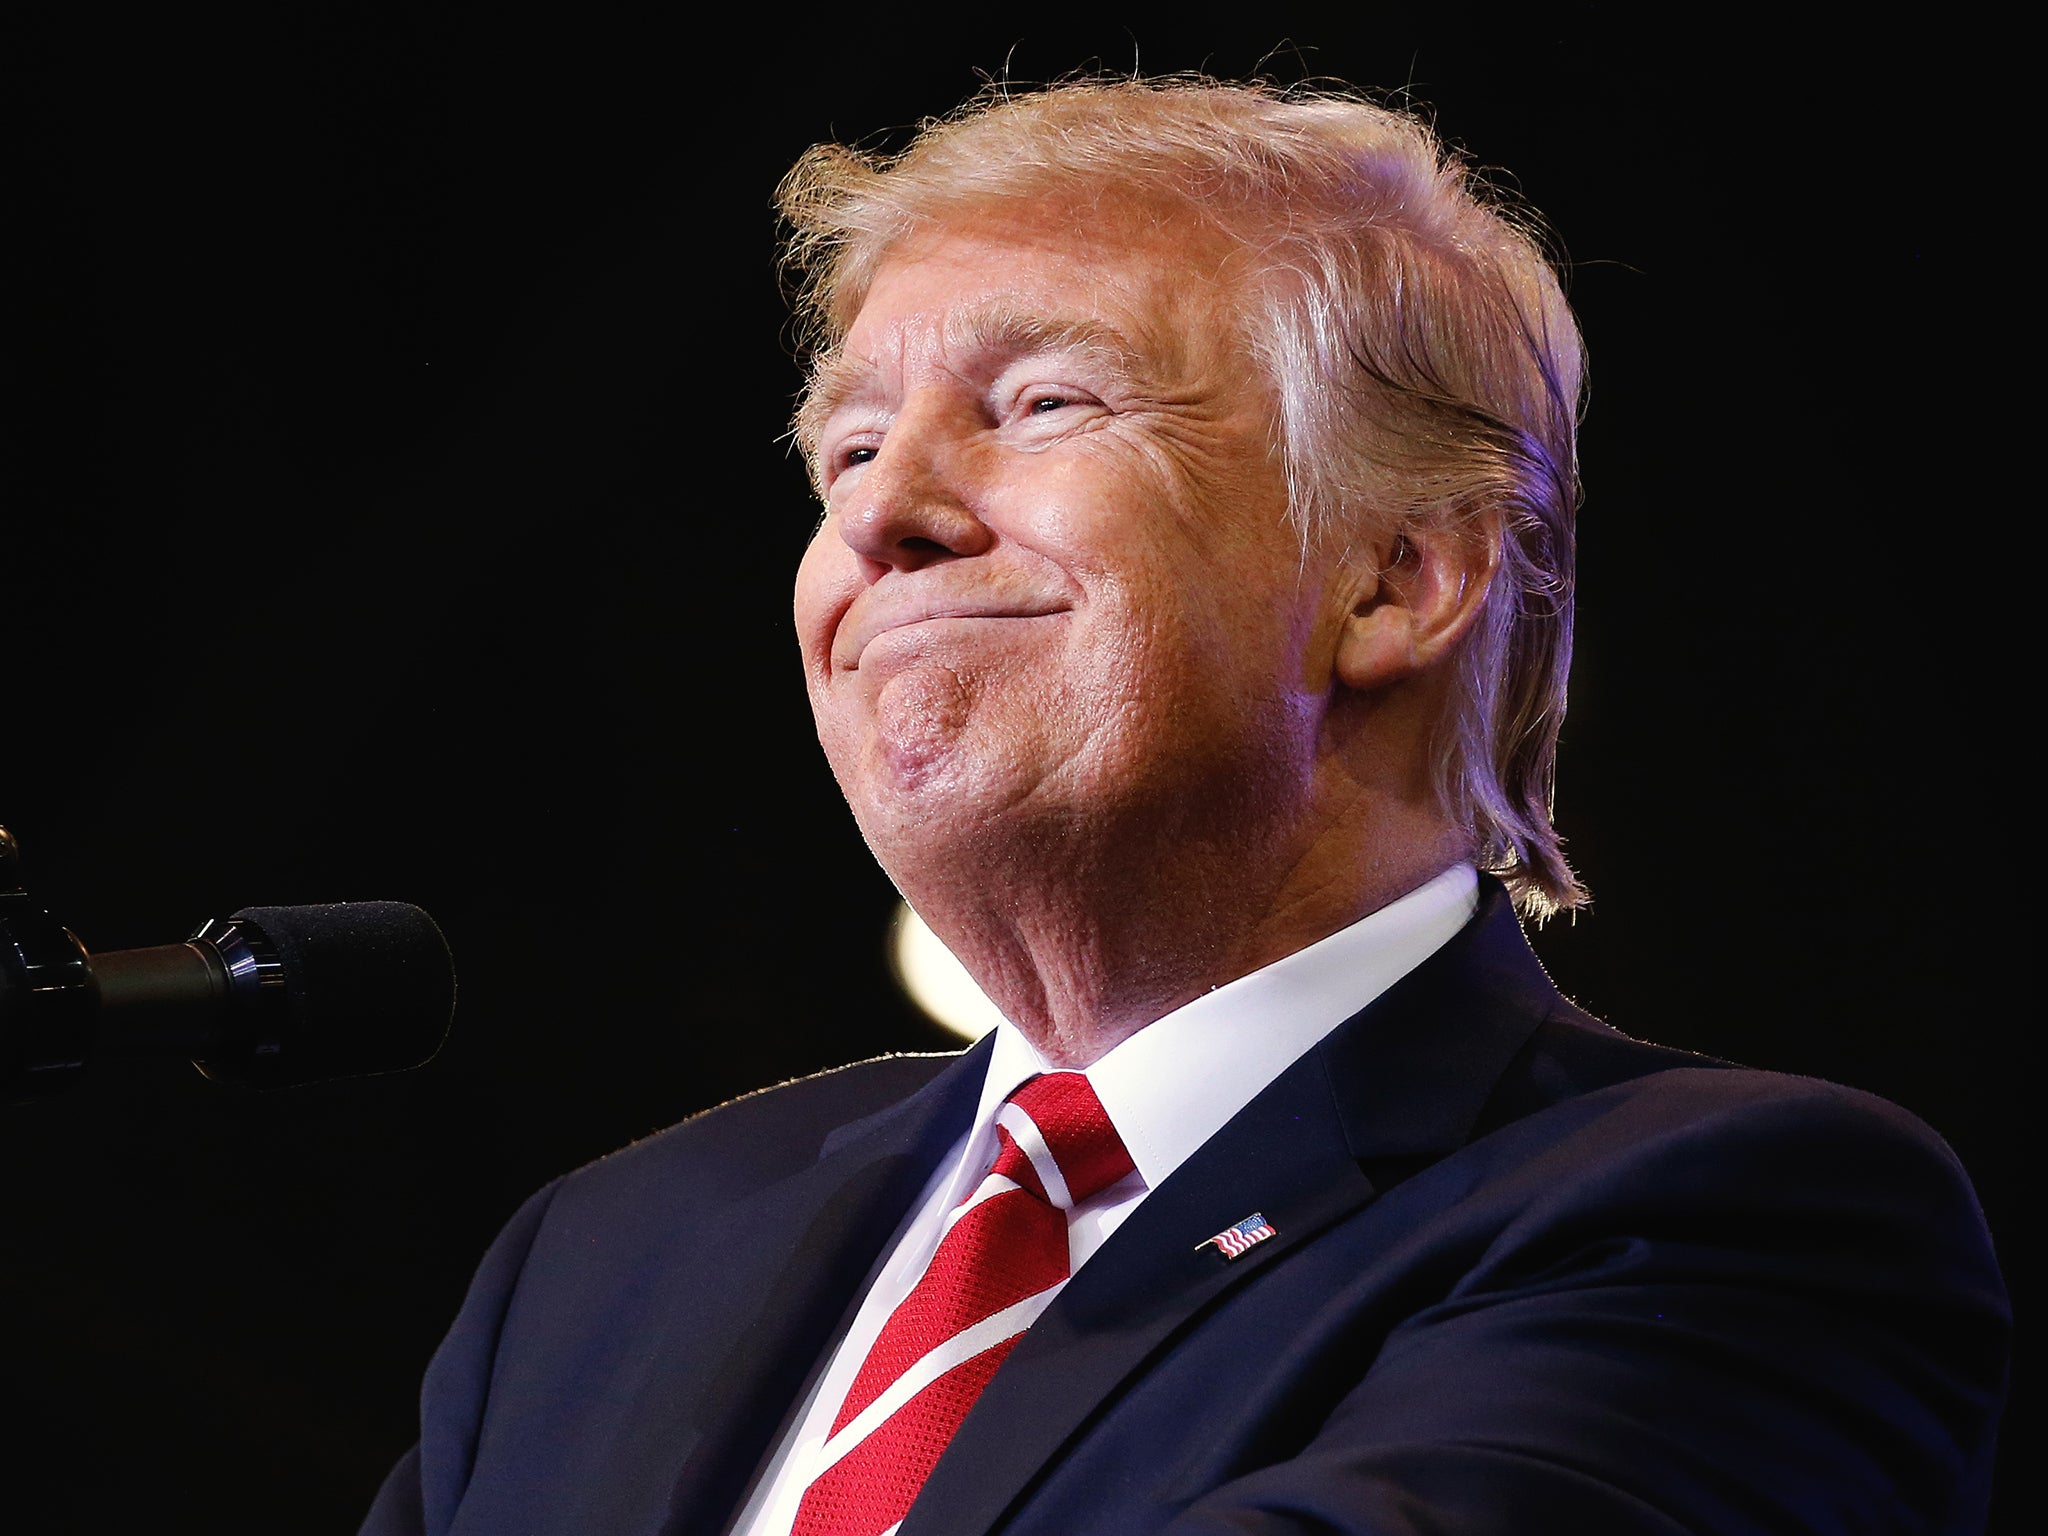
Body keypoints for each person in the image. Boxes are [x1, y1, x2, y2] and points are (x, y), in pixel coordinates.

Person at [360, 79, 2008, 1535]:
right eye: (848, 449)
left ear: (1397, 577)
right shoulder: (606, 1260)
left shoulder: (1710, 1221)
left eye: (1044, 406)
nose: (887, 516)